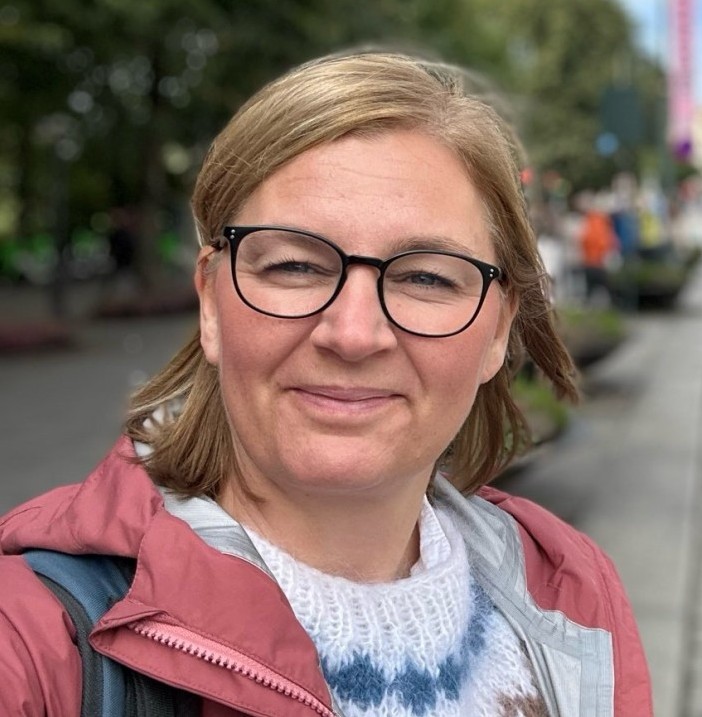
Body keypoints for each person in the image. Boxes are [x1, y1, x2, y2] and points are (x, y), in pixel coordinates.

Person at [0, 51, 652, 716]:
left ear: (497, 332)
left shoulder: (574, 594)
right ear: (211, 303)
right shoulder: (34, 640)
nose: (354, 334)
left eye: (426, 276)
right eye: (294, 266)